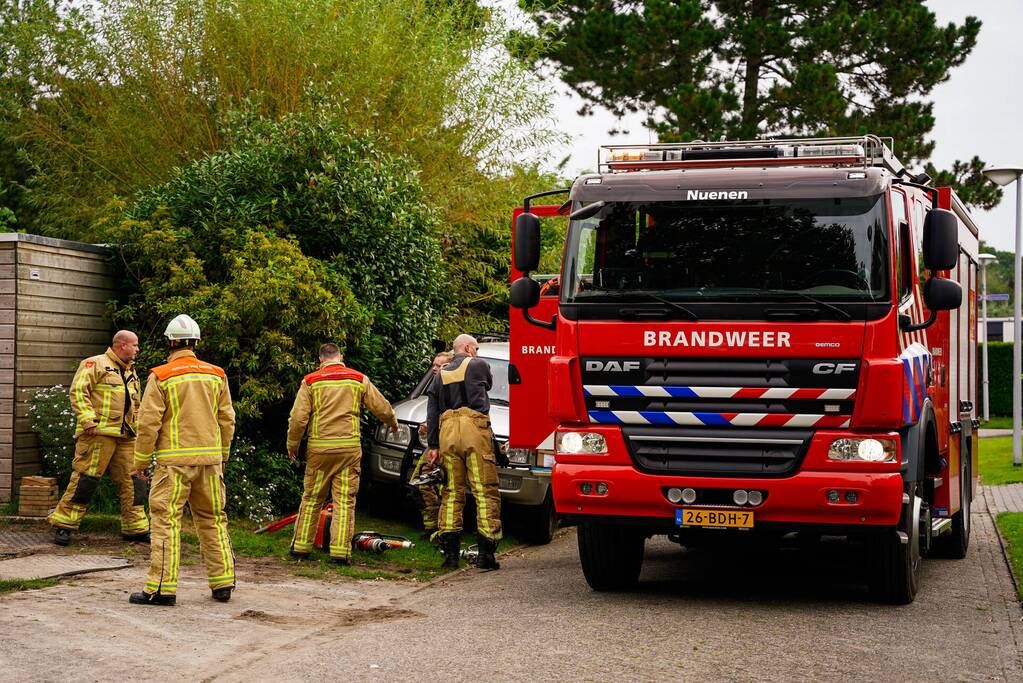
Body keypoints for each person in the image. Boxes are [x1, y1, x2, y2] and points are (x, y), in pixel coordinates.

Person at [129, 314, 235, 607]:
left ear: (170, 342)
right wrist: (222, 454)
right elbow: (227, 418)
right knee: (213, 520)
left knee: (165, 523)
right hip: (211, 463)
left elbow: (149, 422)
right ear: (196, 342)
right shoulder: (217, 374)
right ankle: (223, 583)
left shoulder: (161, 376)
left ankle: (162, 589)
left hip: (173, 465)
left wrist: (139, 462)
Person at [286, 343, 398, 565]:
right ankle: (339, 553)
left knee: (311, 499)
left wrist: (293, 444)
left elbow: (298, 418)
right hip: (348, 449)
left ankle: (300, 548)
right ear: (341, 357)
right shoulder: (358, 379)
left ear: (320, 360)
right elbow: (381, 406)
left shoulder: (311, 381)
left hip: (320, 450)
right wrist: (391, 422)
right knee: (345, 501)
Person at [49, 330, 149, 546]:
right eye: (135, 345)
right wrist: (87, 420)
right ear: (122, 345)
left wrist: (139, 429)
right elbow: (78, 392)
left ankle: (136, 528)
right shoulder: (94, 364)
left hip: (127, 436)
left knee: (134, 482)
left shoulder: (131, 371)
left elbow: (136, 404)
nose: (137, 349)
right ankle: (64, 525)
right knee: (86, 480)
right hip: (98, 435)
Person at [425, 334, 502, 570]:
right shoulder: (478, 364)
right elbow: (487, 384)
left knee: (451, 491)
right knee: (484, 490)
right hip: (473, 430)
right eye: (476, 348)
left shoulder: (440, 375)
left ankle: (450, 557)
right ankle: (485, 555)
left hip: (447, 433)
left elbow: (432, 409)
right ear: (468, 347)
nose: (477, 352)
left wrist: (433, 445)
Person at [411, 350, 453, 538]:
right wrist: (429, 425)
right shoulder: (437, 385)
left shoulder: (453, 387)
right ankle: (431, 526)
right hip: (434, 444)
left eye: (440, 365)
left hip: (446, 445)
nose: (435, 369)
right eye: (434, 365)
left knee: (436, 485)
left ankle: (438, 527)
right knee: (421, 482)